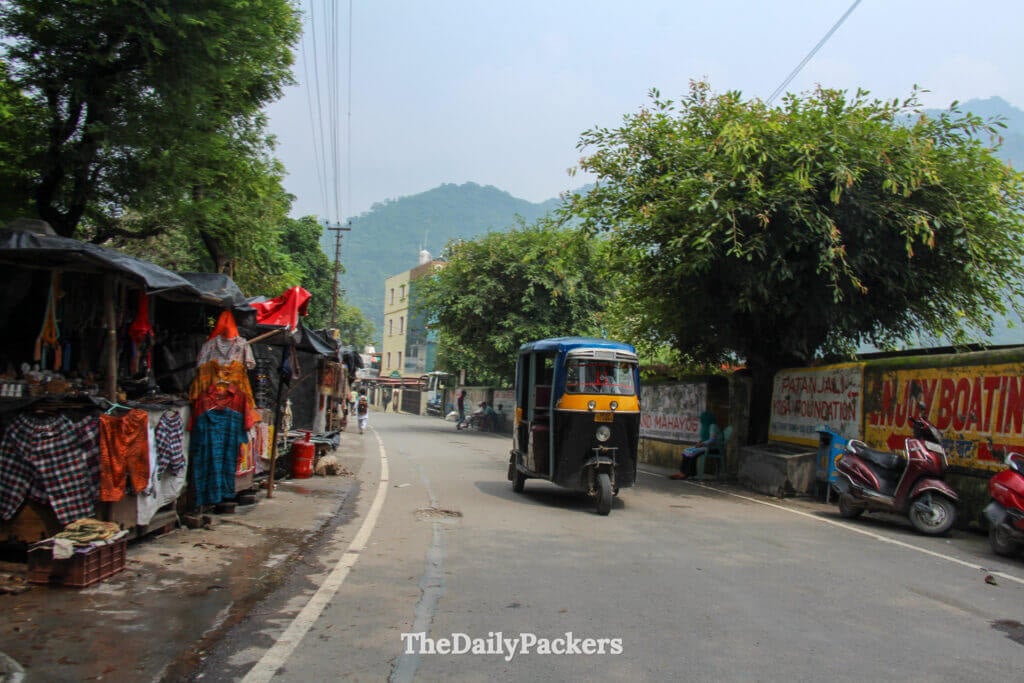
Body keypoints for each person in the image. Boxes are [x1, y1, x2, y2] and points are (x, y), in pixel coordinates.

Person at [670, 410, 720, 480]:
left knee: (692, 453)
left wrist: (702, 444)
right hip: (705, 446)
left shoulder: (713, 426)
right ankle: (682, 472)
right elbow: (705, 438)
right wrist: (700, 442)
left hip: (713, 449)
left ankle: (688, 473)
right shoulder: (706, 426)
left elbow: (712, 439)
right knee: (686, 451)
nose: (701, 420)